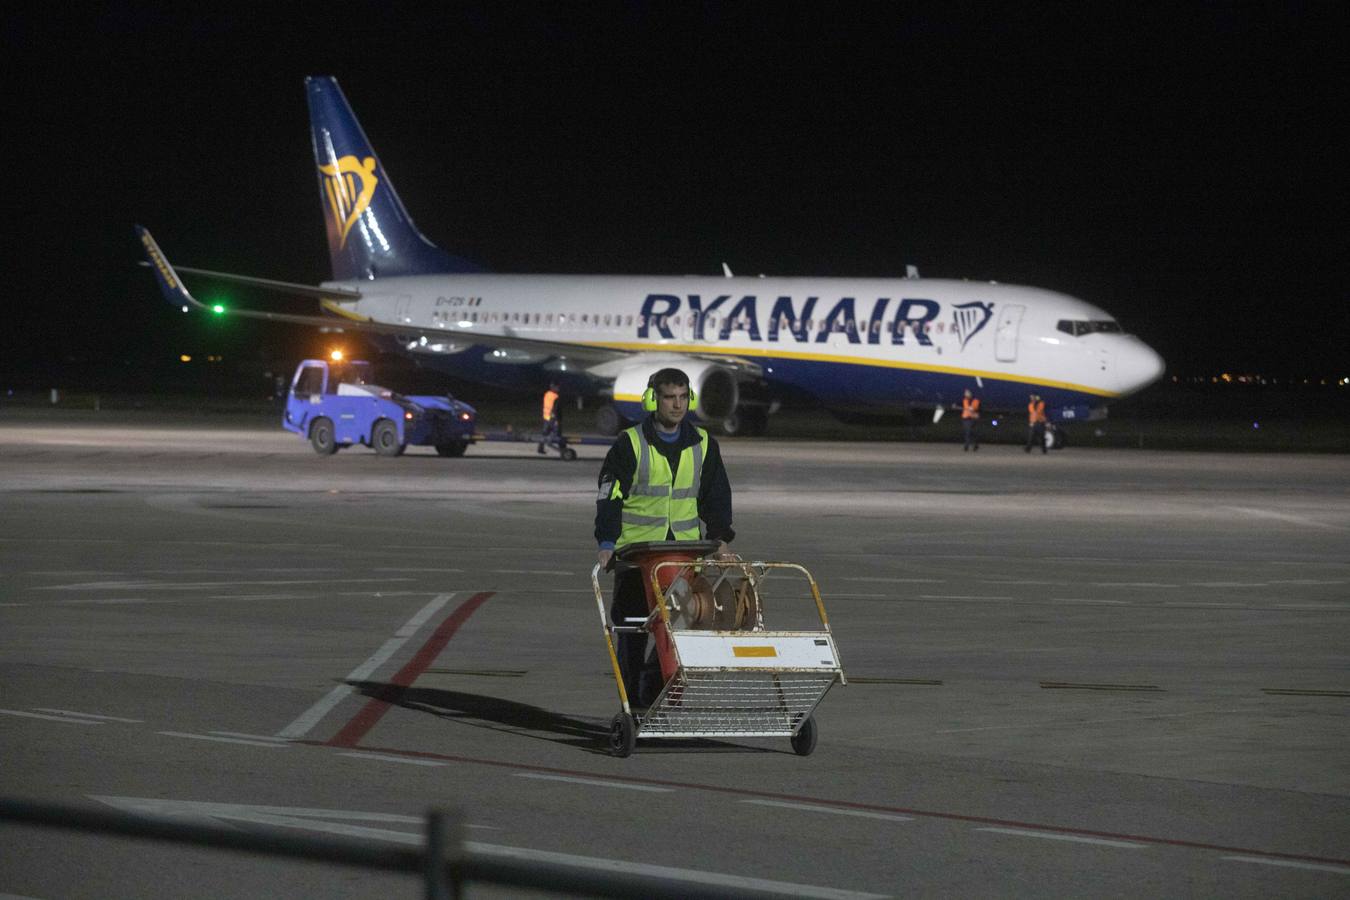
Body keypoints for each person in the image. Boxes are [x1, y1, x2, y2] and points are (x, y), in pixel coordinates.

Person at [595, 368, 735, 705]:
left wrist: (719, 538)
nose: (677, 404)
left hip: (683, 558)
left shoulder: (703, 444)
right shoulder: (630, 443)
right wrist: (607, 542)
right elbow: (610, 495)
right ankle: (632, 707)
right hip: (636, 557)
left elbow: (716, 496)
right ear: (652, 400)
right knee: (631, 634)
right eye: (669, 397)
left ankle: (651, 701)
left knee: (680, 632)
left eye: (683, 397)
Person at [537, 382, 564, 455]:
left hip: (546, 417)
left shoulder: (547, 394)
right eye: (557, 387)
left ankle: (540, 448)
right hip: (553, 419)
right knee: (558, 434)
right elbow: (556, 409)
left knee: (544, 433)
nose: (558, 389)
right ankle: (563, 450)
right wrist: (557, 419)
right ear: (554, 387)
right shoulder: (556, 396)